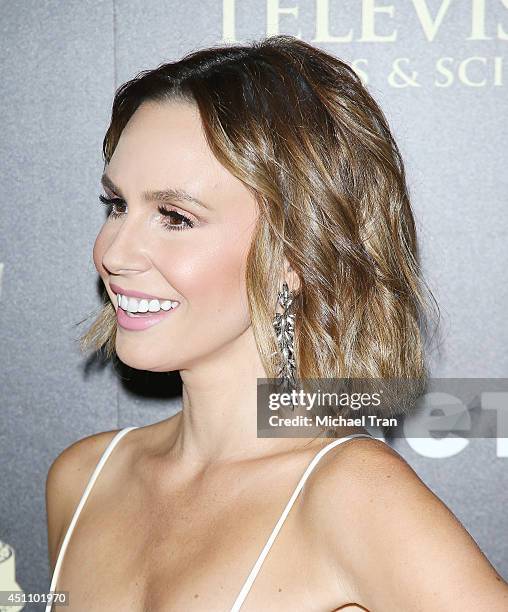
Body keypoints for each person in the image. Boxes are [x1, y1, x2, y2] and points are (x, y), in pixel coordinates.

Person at [45, 35, 508, 611]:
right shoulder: (84, 478)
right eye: (117, 205)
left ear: (294, 254)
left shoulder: (350, 497)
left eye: (174, 217)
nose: (115, 251)